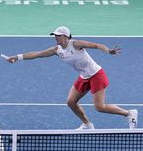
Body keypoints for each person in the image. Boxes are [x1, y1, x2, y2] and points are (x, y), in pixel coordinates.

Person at [8, 26, 138, 130]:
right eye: (55, 35)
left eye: (58, 35)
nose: (56, 37)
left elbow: (97, 45)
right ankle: (87, 124)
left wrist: (109, 51)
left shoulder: (76, 44)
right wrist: (17, 57)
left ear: (65, 36)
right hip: (84, 77)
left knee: (99, 107)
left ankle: (129, 113)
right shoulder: (57, 50)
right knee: (71, 102)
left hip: (96, 75)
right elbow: (37, 54)